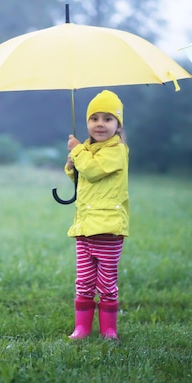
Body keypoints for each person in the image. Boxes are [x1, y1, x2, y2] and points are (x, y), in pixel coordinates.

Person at [64, 89, 130, 340]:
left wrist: (78, 152)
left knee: (107, 284)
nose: (100, 124)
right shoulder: (88, 149)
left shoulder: (117, 150)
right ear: (87, 122)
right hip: (85, 228)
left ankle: (108, 329)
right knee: (83, 281)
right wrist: (71, 166)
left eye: (107, 118)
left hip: (108, 229)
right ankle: (82, 328)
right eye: (94, 118)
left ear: (118, 124)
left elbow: (93, 170)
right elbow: (83, 176)